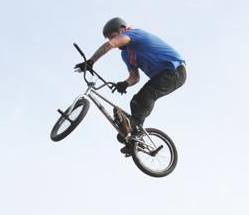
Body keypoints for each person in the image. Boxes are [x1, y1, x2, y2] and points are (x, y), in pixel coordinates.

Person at [75, 18, 186, 154]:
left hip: (175, 71)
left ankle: (134, 128)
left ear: (122, 30)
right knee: (135, 101)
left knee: (144, 97)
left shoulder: (135, 34)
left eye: (113, 36)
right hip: (162, 76)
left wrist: (90, 61)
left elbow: (110, 45)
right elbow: (135, 77)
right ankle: (135, 140)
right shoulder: (126, 54)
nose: (112, 39)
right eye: (110, 37)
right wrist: (125, 83)